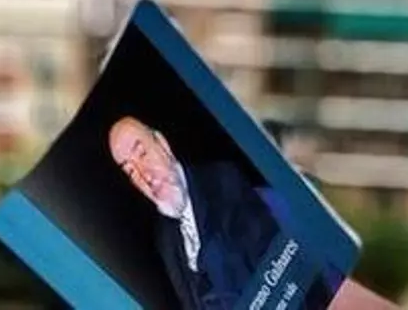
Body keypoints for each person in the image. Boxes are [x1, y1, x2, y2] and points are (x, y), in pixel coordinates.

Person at [107, 116, 343, 309]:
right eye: (130, 171)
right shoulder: (165, 240)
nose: (145, 175)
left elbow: (287, 275)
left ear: (162, 144)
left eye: (143, 154)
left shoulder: (222, 182)